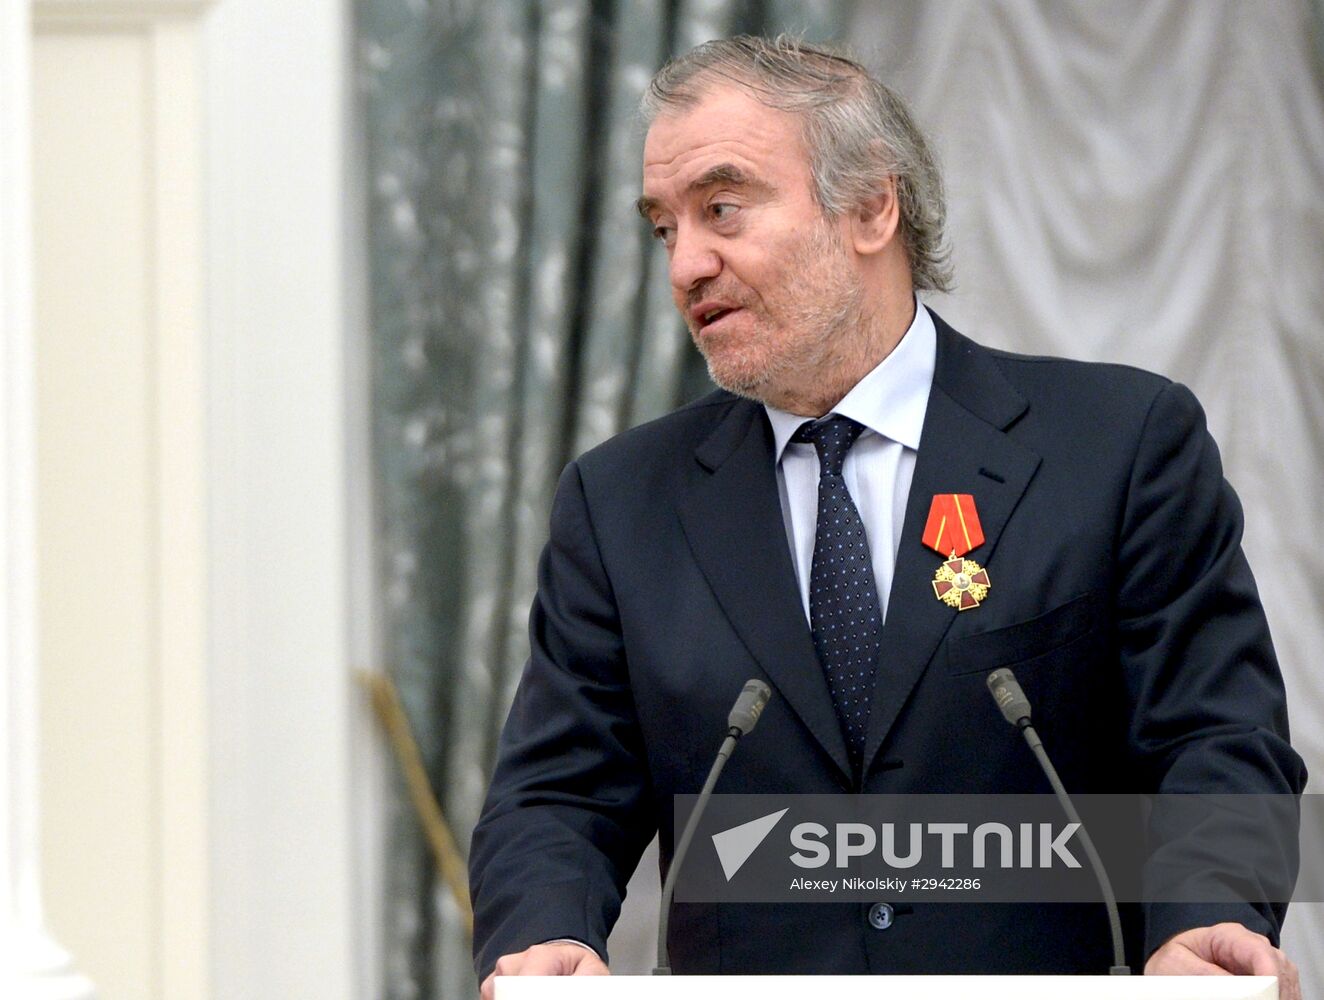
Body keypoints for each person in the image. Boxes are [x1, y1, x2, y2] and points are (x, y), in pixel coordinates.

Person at [468, 35, 1305, 996]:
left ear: (871, 206)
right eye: (665, 228)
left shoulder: (1118, 447)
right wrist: (545, 939)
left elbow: (1214, 739)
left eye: (723, 209)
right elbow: (557, 795)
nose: (686, 264)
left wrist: (1206, 920)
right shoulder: (619, 504)